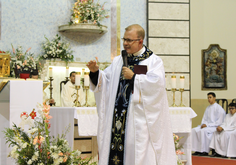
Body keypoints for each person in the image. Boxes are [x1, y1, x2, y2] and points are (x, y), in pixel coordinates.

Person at [86, 24, 176, 165]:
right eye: (124, 39)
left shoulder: (153, 61)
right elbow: (106, 82)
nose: (125, 44)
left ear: (140, 41)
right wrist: (95, 72)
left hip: (138, 123)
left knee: (135, 154)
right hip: (117, 121)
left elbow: (157, 86)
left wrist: (134, 77)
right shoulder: (118, 61)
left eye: (129, 40)